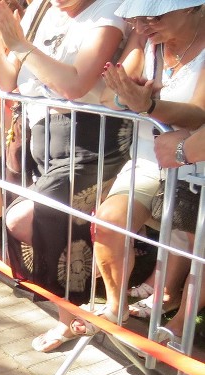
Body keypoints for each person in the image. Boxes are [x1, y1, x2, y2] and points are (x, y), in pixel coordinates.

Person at [0, 0, 132, 353]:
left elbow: (73, 85)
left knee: (26, 219)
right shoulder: (41, 10)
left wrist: (19, 44)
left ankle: (80, 310)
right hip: (42, 134)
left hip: (93, 140)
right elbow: (10, 80)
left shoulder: (109, 13)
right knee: (63, 229)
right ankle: (77, 311)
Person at [88, 0, 205, 343]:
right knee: (108, 222)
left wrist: (149, 105)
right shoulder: (147, 43)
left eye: (155, 15)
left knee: (199, 246)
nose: (142, 25)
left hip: (196, 166)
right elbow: (113, 94)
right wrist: (129, 98)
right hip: (150, 161)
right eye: (136, 17)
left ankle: (182, 319)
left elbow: (198, 115)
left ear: (194, 8)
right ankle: (115, 305)